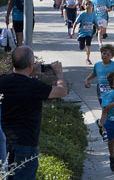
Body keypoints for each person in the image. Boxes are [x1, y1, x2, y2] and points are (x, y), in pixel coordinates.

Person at [0, 46, 67, 179]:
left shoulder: (2, 81)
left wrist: (29, 71)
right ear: (31, 64)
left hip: (3, 141)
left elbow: (15, 78)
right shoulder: (35, 86)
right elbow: (62, 91)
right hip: (26, 143)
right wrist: (59, 74)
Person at [84, 44, 114, 141]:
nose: (105, 56)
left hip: (112, 91)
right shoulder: (97, 65)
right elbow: (94, 74)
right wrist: (87, 79)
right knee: (105, 109)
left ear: (112, 56)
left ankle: (103, 125)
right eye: (103, 53)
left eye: (107, 54)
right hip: (101, 90)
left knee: (109, 110)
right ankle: (104, 130)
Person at [71, 0, 97, 65]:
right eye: (86, 4)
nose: (88, 6)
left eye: (89, 4)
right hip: (82, 33)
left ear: (92, 6)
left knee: (88, 45)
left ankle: (88, 59)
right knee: (81, 47)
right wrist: (73, 31)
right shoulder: (82, 14)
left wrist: (98, 27)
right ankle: (79, 40)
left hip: (89, 33)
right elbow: (75, 23)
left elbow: (95, 22)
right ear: (84, 6)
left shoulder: (93, 14)